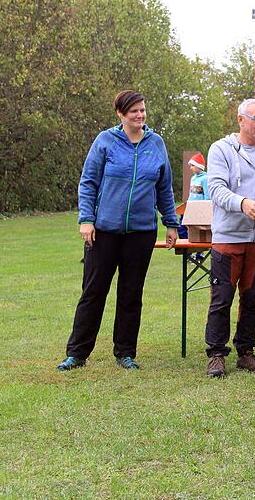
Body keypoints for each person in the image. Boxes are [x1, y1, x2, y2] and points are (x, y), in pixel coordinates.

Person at [57, 90, 179, 371]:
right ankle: (77, 353)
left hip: (141, 232)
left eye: (142, 110)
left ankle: (125, 352)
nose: (140, 115)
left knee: (131, 292)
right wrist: (86, 219)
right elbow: (88, 182)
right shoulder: (105, 141)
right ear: (121, 114)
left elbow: (164, 187)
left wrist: (171, 223)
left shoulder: (156, 143)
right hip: (104, 231)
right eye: (134, 111)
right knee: (93, 291)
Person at [204, 99, 255, 378]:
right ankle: (216, 354)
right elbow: (215, 188)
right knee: (221, 298)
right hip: (228, 236)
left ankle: (246, 352)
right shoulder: (221, 149)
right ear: (241, 120)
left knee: (252, 299)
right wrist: (242, 203)